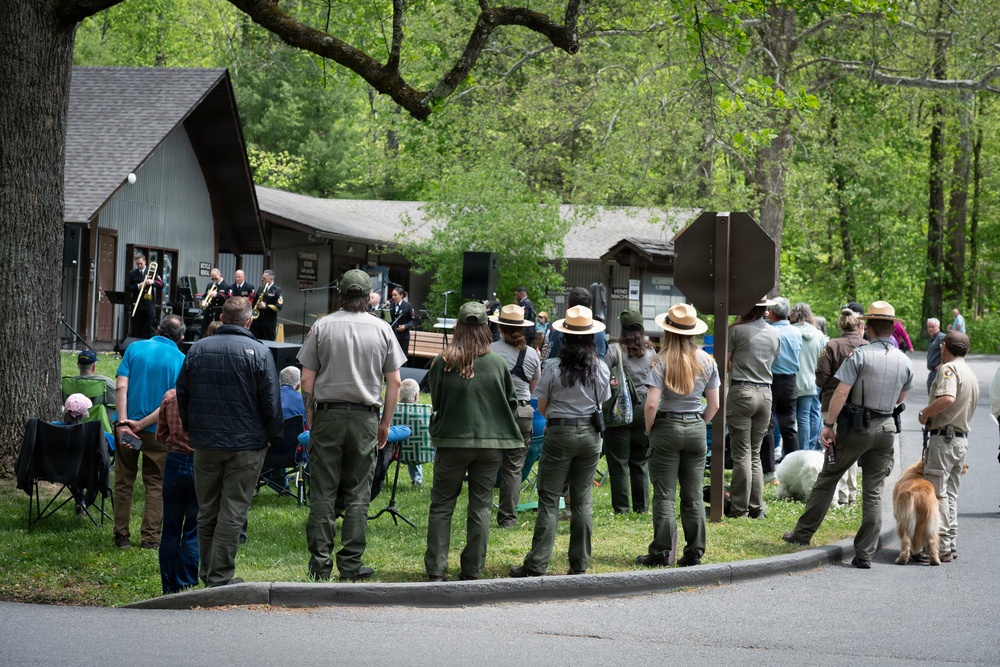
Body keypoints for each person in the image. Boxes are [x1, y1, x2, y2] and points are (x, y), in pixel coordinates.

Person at [783, 301, 913, 569]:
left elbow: (841, 392)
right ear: (891, 327)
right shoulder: (904, 359)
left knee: (828, 478)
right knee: (874, 491)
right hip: (887, 427)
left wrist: (829, 424)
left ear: (870, 328)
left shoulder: (861, 355)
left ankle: (802, 534)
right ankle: (865, 553)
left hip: (857, 426)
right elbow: (902, 396)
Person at [297, 269, 405, 582]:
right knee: (359, 493)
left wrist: (312, 417)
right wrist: (385, 423)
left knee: (323, 492)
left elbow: (306, 378)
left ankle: (319, 566)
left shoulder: (322, 326)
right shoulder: (383, 328)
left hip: (328, 414)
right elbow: (395, 382)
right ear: (369, 295)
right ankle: (350, 565)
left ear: (341, 293)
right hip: (365, 417)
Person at [176, 297, 282, 587]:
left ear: (221, 318)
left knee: (207, 508)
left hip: (206, 442)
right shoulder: (259, 352)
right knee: (233, 509)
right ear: (249, 321)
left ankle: (209, 573)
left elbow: (181, 394)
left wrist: (191, 429)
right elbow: (271, 402)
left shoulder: (197, 349)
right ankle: (219, 575)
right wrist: (273, 436)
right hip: (246, 445)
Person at [425, 302, 523, 581]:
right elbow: (511, 402)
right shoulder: (497, 363)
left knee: (442, 506)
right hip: (490, 445)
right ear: (485, 329)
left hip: (452, 441)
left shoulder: (443, 361)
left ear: (458, 327)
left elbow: (437, 402)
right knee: (480, 506)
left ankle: (435, 570)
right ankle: (472, 570)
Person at [510, 306, 610, 577]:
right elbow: (604, 400)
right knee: (582, 500)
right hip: (590, 435)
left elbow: (541, 407)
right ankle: (580, 563)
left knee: (549, 499)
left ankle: (537, 563)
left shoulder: (553, 367)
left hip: (560, 433)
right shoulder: (600, 367)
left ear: (564, 337)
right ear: (591, 338)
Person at [637, 303, 719, 567]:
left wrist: (651, 429)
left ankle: (661, 552)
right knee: (693, 495)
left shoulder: (661, 360)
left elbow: (651, 404)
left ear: (669, 331)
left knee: (664, 495)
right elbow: (715, 405)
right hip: (695, 427)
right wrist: (699, 422)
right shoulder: (707, 360)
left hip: (667, 427)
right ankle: (694, 551)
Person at [113, 314, 187, 550]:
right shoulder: (181, 359)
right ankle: (150, 538)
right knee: (155, 483)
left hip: (127, 430)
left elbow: (121, 386)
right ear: (181, 338)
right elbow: (170, 402)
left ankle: (121, 535)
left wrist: (125, 423)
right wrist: (141, 425)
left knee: (124, 480)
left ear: (157, 329)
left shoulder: (134, 348)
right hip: (157, 432)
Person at [916, 331, 977, 563]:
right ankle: (949, 543)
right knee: (951, 493)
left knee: (937, 494)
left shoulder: (948, 369)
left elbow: (948, 398)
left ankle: (938, 546)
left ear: (945, 347)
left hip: (945, 439)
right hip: (961, 440)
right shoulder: (970, 372)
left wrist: (924, 413)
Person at [488, 303, 542, 528]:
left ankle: (481, 514)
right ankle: (507, 519)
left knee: (487, 465)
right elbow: (533, 389)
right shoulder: (531, 354)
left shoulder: (490, 350)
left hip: (495, 412)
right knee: (514, 467)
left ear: (500, 327)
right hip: (522, 413)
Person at [726, 298, 779, 519]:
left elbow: (725, 362)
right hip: (766, 393)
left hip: (742, 391)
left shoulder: (736, 331)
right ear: (765, 310)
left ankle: (739, 509)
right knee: (755, 454)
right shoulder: (775, 333)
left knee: (742, 455)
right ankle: (757, 507)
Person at [602, 307, 655, 514]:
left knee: (618, 461)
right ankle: (641, 507)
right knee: (640, 460)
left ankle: (622, 508)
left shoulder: (614, 350)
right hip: (643, 408)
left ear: (622, 329)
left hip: (619, 408)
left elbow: (602, 376)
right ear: (641, 328)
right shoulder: (651, 352)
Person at [815, 306, 868, 505]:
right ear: (859, 326)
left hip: (831, 403)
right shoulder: (867, 346)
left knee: (832, 448)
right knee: (851, 449)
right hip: (859, 405)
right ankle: (850, 493)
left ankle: (836, 493)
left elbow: (821, 377)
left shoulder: (831, 345)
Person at [155, 387, 197, 594]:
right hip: (201, 463)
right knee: (194, 526)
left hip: (175, 461)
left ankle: (168, 586)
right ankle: (187, 582)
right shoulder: (207, 395)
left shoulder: (171, 396)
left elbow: (161, 434)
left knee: (170, 528)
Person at [768, 297, 802, 459]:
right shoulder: (797, 332)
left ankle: (768, 467)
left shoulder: (770, 331)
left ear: (772, 314)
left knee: (768, 424)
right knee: (789, 424)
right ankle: (793, 462)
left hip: (772, 380)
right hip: (790, 381)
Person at [790, 302, 827, 451]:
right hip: (810, 382)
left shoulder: (790, 331)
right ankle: (807, 449)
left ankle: (791, 450)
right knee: (806, 416)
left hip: (791, 381)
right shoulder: (818, 335)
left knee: (789, 418)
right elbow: (822, 360)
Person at [544, 287, 608, 366]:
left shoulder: (558, 333)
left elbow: (546, 366)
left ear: (568, 307)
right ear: (590, 309)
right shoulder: (600, 334)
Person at [392, 378, 432, 487]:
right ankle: (417, 479)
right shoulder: (424, 414)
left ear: (399, 395)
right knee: (419, 442)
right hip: (420, 453)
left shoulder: (392, 412)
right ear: (416, 396)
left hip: (395, 452)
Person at [126, 252, 163, 339]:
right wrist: (138, 286)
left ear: (145, 262)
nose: (139, 266)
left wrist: (153, 282)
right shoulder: (132, 273)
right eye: (137, 264)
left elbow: (161, 285)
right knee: (137, 329)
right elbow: (128, 287)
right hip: (137, 305)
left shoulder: (152, 272)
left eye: (141, 263)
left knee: (150, 328)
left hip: (149, 305)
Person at [249, 269, 283, 341]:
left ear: (270, 278)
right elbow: (254, 302)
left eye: (264, 278)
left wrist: (265, 306)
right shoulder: (260, 288)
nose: (262, 279)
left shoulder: (277, 290)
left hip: (269, 323)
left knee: (269, 342)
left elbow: (278, 307)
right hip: (257, 322)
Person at [200, 267, 230, 337]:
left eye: (216, 278)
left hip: (219, 313)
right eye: (212, 279)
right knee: (204, 330)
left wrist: (217, 294)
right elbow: (205, 295)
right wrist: (204, 301)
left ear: (220, 275)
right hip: (209, 311)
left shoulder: (226, 286)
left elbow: (229, 297)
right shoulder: (210, 285)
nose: (214, 281)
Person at [389, 286, 417, 361]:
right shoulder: (391, 305)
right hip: (392, 334)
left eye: (395, 295)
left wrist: (405, 326)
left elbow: (413, 321)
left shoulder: (408, 306)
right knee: (392, 356)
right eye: (392, 295)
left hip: (403, 336)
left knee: (402, 356)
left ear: (401, 295)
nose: (393, 297)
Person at [926, 318, 945, 391]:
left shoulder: (941, 338)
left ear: (938, 327)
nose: (930, 329)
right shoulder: (933, 339)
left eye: (933, 327)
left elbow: (950, 353)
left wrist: (943, 364)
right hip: (932, 372)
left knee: (935, 396)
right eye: (929, 327)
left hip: (938, 372)